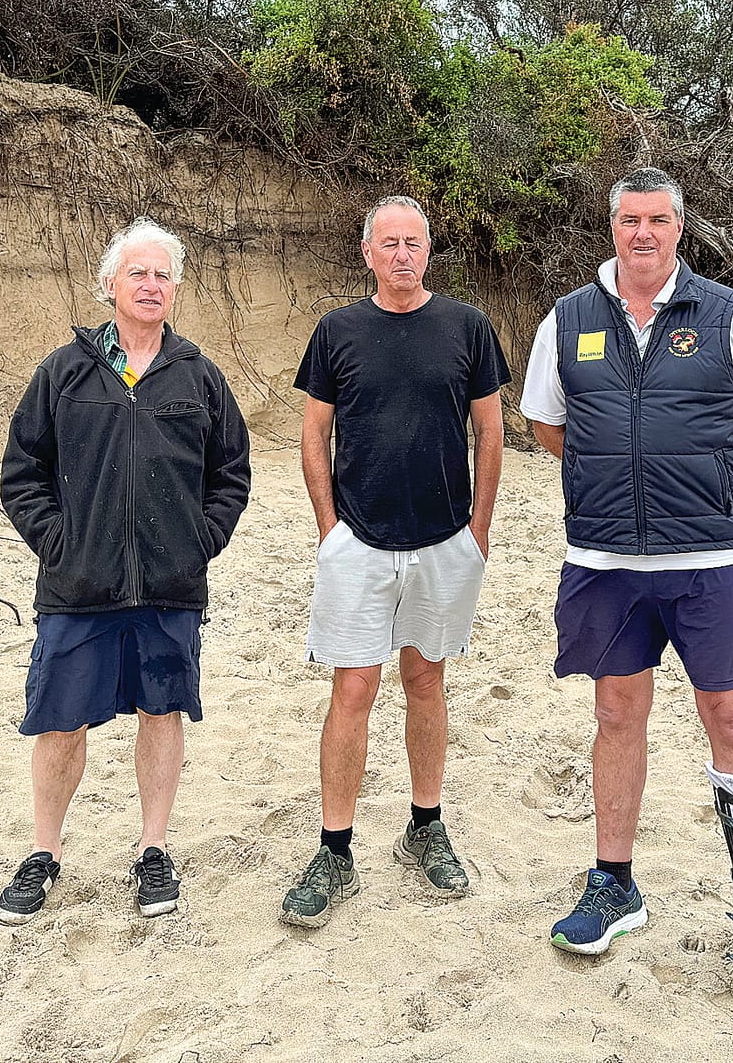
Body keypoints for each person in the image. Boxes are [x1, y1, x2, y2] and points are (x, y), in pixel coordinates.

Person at [520, 166, 733, 999]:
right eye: (629, 220)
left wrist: (709, 489)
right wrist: (610, 480)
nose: (643, 233)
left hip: (710, 565)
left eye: (658, 219)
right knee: (616, 712)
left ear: (680, 229)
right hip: (607, 564)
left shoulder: (732, 317)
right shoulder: (570, 319)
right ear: (611, 226)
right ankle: (613, 884)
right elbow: (547, 423)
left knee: (731, 714)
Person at [0, 218, 251, 926]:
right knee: (61, 721)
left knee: (162, 713)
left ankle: (153, 849)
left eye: (163, 274)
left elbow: (231, 473)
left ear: (175, 289)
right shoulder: (64, 372)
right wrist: (58, 543)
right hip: (79, 588)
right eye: (137, 273)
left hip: (170, 587)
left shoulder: (199, 375)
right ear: (109, 285)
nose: (151, 285)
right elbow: (23, 473)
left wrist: (199, 540)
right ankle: (44, 853)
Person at [277, 195, 511, 927]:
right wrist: (328, 529)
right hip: (359, 540)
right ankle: (335, 849)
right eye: (390, 242)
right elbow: (314, 435)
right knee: (353, 690)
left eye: (414, 242)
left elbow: (492, 434)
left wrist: (477, 530)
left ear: (428, 250)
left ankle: (425, 825)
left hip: (445, 540)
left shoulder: (467, 327)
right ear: (368, 251)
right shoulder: (337, 330)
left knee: (425, 682)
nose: (402, 254)